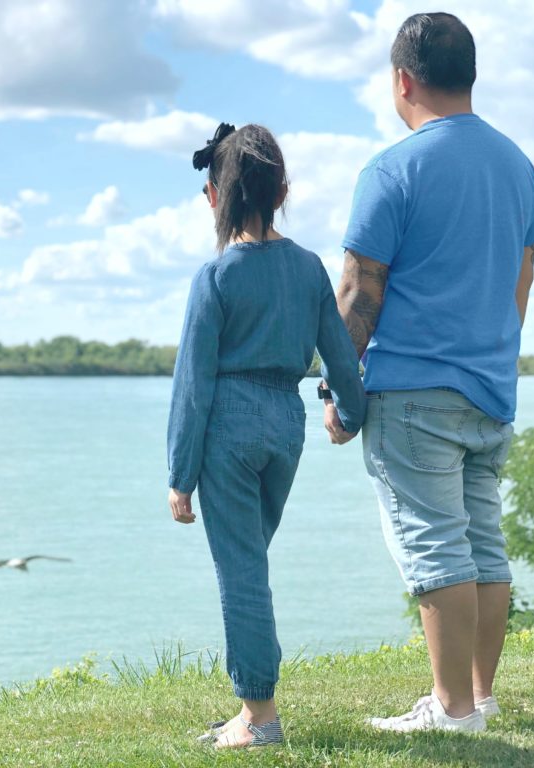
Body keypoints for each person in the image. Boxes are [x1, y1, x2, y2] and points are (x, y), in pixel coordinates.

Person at [325, 12, 534, 733]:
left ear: (402, 80)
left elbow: (360, 290)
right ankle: (479, 696)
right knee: (483, 542)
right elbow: (522, 279)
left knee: (436, 545)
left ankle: (452, 711)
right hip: (490, 390)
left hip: (414, 393)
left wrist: (337, 385)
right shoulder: (519, 167)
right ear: (470, 75)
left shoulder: (393, 168)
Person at [167, 122, 366, 749]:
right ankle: (252, 708)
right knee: (252, 562)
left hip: (229, 426)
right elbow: (339, 357)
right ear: (281, 191)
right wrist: (350, 415)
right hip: (286, 426)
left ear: (216, 198)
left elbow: (193, 386)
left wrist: (179, 475)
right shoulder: (309, 268)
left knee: (242, 574)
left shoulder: (216, 277)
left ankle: (260, 717)